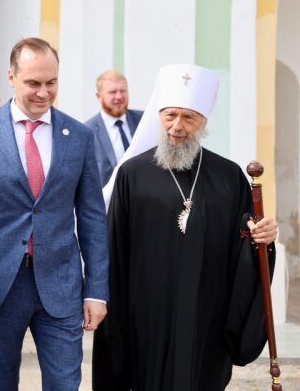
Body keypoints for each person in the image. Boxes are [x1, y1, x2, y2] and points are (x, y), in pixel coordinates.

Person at [92, 63, 278, 391]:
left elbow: (246, 241)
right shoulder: (132, 175)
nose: (177, 126)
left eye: (189, 117)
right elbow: (115, 249)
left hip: (208, 314)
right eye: (170, 116)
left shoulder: (229, 176)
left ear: (203, 122)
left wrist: (264, 238)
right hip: (147, 315)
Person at [0, 37, 108, 390]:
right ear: (11, 77)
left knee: (65, 385)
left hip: (61, 284)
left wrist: (96, 291)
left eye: (51, 82)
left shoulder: (79, 137)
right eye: (33, 83)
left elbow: (93, 219)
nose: (44, 92)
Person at [85, 70, 142, 186]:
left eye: (123, 91)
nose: (119, 96)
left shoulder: (142, 120)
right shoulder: (87, 132)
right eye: (112, 92)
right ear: (99, 97)